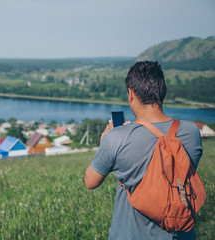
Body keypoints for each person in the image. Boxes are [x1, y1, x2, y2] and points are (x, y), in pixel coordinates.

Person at [84, 61, 202, 240]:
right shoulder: (191, 131)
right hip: (181, 234)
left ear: (130, 94)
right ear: (164, 92)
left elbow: (90, 182)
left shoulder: (117, 137)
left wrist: (106, 142)